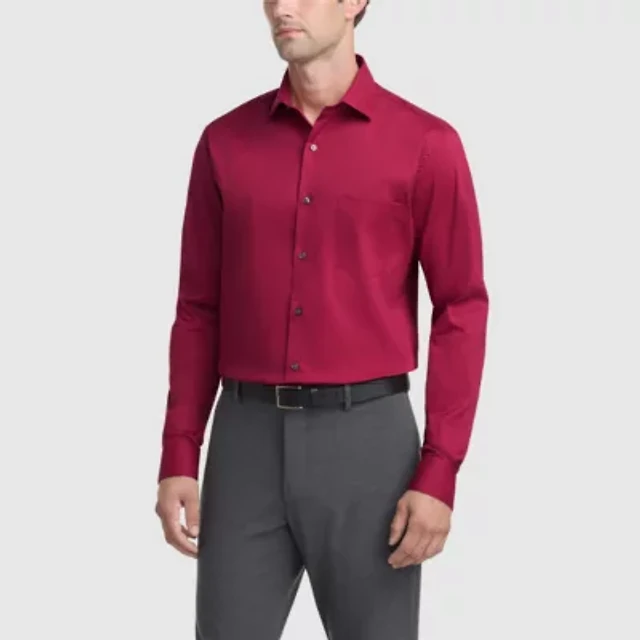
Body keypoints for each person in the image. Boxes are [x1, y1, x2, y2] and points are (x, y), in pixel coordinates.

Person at [154, 1, 489, 638]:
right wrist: (179, 452)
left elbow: (461, 307)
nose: (283, 7)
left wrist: (440, 468)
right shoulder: (224, 143)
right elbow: (197, 309)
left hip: (369, 445)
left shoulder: (426, 144)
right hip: (245, 442)